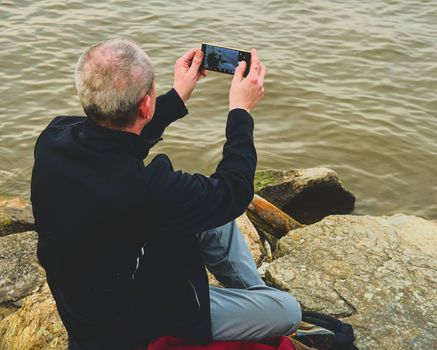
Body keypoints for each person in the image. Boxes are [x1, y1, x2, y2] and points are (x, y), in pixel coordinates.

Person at [31, 39, 301, 350]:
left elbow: (117, 139)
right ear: (146, 105)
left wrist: (177, 96)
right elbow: (234, 192)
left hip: (91, 288)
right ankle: (258, 299)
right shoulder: (148, 192)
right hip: (129, 323)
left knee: (214, 217)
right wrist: (240, 111)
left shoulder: (54, 139)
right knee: (288, 311)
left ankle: (252, 299)